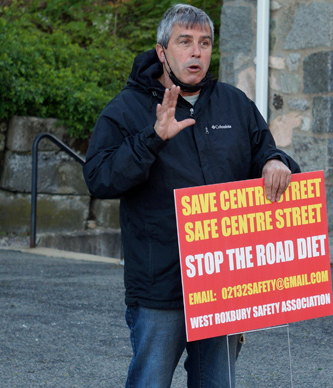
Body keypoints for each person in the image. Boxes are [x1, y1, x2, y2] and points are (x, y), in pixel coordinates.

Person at [83, 4, 301, 388]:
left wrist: (276, 161)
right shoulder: (127, 109)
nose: (196, 52)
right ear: (162, 51)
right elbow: (99, 179)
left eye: (204, 43)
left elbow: (266, 153)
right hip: (159, 286)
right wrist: (151, 139)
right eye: (184, 42)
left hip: (224, 282)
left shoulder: (235, 104)